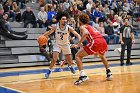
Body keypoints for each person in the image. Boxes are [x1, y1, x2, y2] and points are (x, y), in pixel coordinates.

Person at [71, 13, 112, 85]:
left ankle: (83, 75)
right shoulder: (90, 26)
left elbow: (86, 33)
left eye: (78, 20)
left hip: (96, 42)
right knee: (102, 56)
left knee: (77, 56)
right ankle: (109, 72)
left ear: (80, 21)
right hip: (103, 42)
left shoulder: (82, 27)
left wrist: (78, 44)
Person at [42, 11, 81, 79]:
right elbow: (49, 32)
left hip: (66, 44)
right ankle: (49, 71)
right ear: (59, 20)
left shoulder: (69, 27)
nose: (65, 20)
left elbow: (76, 34)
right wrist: (42, 36)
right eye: (63, 19)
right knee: (54, 59)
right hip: (57, 44)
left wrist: (80, 39)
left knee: (70, 60)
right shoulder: (55, 26)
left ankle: (70, 66)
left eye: (65, 19)